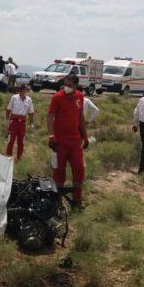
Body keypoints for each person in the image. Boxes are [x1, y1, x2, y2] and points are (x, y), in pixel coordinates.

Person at [47, 73, 89, 209]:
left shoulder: (80, 97)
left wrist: (85, 135)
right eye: (65, 84)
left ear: (76, 86)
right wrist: (51, 135)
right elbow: (50, 116)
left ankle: (77, 201)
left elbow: (80, 117)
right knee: (59, 172)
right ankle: (57, 203)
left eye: (70, 85)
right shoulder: (57, 97)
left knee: (79, 170)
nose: (67, 87)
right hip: (59, 142)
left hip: (75, 142)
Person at [6, 84, 35, 161]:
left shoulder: (29, 100)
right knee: (11, 140)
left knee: (21, 141)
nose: (25, 92)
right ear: (21, 90)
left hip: (22, 123)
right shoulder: (14, 98)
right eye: (24, 90)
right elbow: (8, 109)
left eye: (26, 91)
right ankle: (8, 157)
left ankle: (19, 157)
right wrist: (7, 121)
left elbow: (31, 112)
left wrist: (31, 123)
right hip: (14, 122)